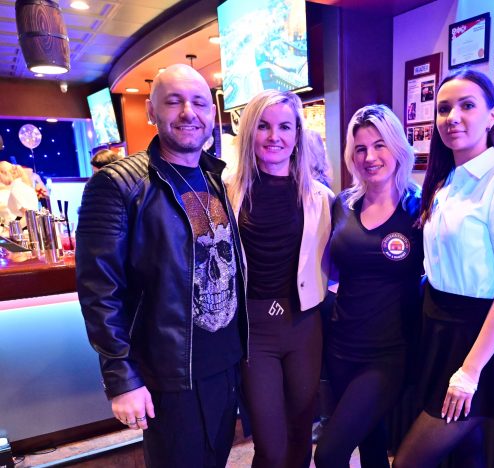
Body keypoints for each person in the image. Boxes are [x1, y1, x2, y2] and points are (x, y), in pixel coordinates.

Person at [76, 64, 247, 468]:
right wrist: (121, 376)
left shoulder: (214, 176)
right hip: (170, 371)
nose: (188, 112)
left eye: (199, 102)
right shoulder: (119, 184)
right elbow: (100, 290)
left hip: (225, 364)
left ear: (211, 113)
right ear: (152, 111)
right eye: (174, 101)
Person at [393, 68, 494, 468]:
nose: (452, 117)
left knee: (408, 461)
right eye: (443, 109)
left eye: (467, 106)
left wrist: (470, 371)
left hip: (477, 337)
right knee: (464, 455)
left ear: (492, 116)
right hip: (437, 326)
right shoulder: (445, 182)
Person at [226, 89, 333, 468]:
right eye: (264, 126)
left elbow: (337, 260)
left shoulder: (320, 197)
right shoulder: (227, 191)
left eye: (285, 127)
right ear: (249, 133)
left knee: (301, 434)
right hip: (254, 330)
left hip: (304, 326)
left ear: (297, 134)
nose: (275, 136)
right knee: (270, 447)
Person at [314, 104, 423, 468]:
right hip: (341, 345)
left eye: (379, 145)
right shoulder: (343, 204)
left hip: (390, 353)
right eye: (360, 148)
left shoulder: (419, 209)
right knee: (372, 444)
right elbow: (326, 267)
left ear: (397, 147)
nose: (370, 157)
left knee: (329, 453)